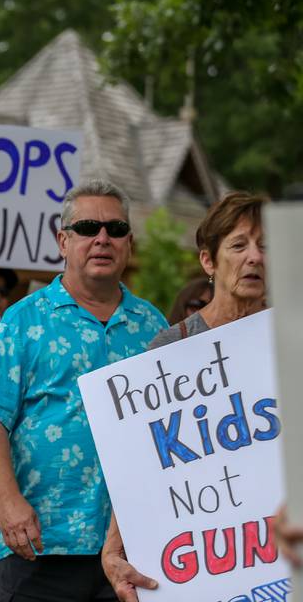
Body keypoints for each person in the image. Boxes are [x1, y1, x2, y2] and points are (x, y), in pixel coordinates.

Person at [0, 180, 169, 602]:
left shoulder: (153, 326)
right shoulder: (22, 320)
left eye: (116, 229)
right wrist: (8, 501)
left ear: (129, 243)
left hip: (134, 543)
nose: (102, 238)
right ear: (63, 240)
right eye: (88, 227)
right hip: (42, 538)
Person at [101, 191, 267, 601]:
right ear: (208, 261)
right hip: (202, 563)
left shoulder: (291, 342)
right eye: (239, 244)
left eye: (267, 246)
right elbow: (142, 460)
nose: (255, 257)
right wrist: (113, 550)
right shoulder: (170, 348)